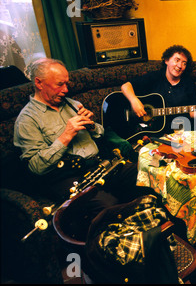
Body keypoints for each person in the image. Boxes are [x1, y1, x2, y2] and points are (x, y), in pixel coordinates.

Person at [14, 58, 150, 241]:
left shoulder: (71, 103)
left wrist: (93, 126)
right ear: (39, 82)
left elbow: (101, 135)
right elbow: (36, 167)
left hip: (100, 166)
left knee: (146, 173)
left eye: (67, 84)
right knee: (109, 206)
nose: (66, 90)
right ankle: (121, 250)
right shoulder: (27, 120)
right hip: (68, 177)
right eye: (59, 84)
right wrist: (65, 135)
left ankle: (153, 231)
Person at [121, 45, 196, 136]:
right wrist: (134, 101)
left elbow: (193, 114)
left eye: (184, 63)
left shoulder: (189, 85)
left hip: (177, 132)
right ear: (166, 60)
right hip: (149, 131)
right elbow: (125, 86)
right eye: (177, 60)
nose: (180, 66)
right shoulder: (154, 77)